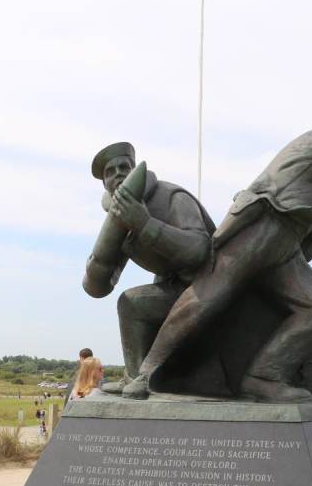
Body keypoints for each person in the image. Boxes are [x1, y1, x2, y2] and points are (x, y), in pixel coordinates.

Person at [123, 124, 312, 402]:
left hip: (284, 242)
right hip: (265, 221)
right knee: (206, 297)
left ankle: (263, 376)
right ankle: (145, 374)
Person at [83, 142, 214, 382]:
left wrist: (145, 224)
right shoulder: (120, 218)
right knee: (134, 304)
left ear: (135, 169)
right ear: (105, 185)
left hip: (211, 284)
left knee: (132, 303)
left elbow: (199, 250)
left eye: (124, 167)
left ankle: (138, 381)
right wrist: (98, 265)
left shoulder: (172, 197)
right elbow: (100, 286)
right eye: (109, 173)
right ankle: (136, 379)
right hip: (176, 289)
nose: (118, 174)